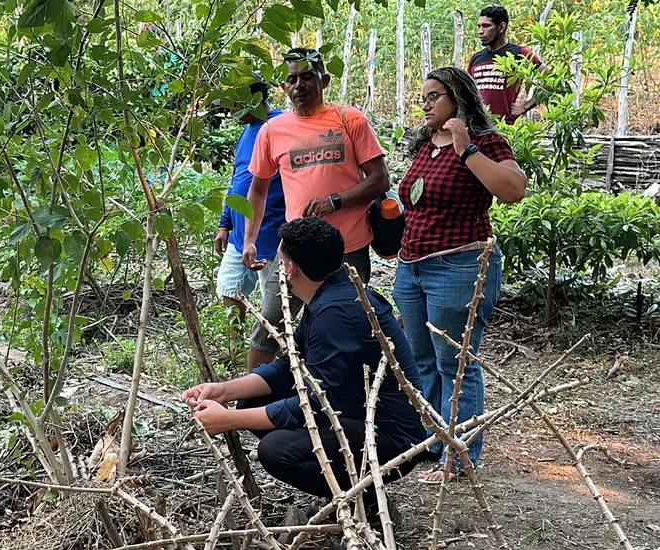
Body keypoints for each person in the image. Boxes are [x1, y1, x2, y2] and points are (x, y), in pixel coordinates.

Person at [183, 217, 425, 519]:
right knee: (251, 400)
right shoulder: (329, 295)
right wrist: (224, 391)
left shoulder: (335, 313)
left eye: (280, 261)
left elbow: (315, 404)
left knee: (277, 451)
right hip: (356, 413)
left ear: (290, 269)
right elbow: (290, 366)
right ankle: (351, 490)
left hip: (391, 438)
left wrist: (228, 420)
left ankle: (366, 505)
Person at [391, 67, 526, 484]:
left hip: (459, 267)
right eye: (424, 97)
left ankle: (459, 455)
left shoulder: (486, 141)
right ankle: (434, 443)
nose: (426, 105)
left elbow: (513, 189)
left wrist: (466, 149)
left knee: (456, 364)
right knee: (422, 362)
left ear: (458, 98)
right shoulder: (424, 143)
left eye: (434, 96)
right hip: (411, 267)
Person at [242, 47, 391, 372]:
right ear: (283, 86)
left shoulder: (349, 119)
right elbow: (257, 190)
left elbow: (379, 179)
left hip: (348, 249)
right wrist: (249, 240)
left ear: (324, 80)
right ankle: (248, 399)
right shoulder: (272, 130)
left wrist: (333, 201)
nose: (299, 85)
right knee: (269, 327)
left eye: (307, 77)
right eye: (292, 79)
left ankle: (343, 396)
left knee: (344, 328)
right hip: (295, 251)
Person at [214, 79, 285, 354]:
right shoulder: (246, 132)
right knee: (229, 288)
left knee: (274, 305)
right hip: (240, 235)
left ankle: (274, 356)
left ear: (253, 100)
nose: (231, 111)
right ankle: (234, 350)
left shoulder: (281, 127)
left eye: (234, 104)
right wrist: (225, 223)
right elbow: (237, 179)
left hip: (270, 234)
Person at [468, 5, 546, 124]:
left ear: (501, 27)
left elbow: (552, 80)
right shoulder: (476, 58)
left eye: (486, 26)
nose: (480, 31)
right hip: (477, 127)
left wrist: (524, 107)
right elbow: (466, 90)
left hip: (504, 127)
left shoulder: (519, 53)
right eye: (479, 26)